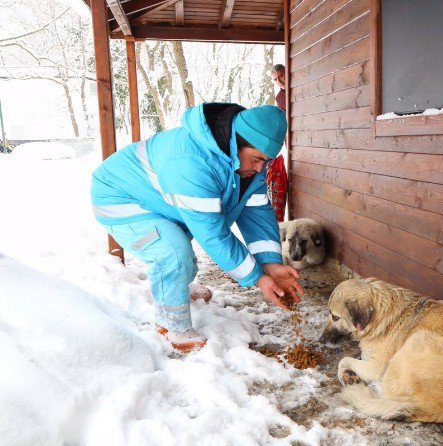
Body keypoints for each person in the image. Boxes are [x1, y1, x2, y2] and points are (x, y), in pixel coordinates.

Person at [91, 103, 304, 353]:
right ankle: (172, 326)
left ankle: (177, 288)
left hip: (158, 198)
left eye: (265, 162)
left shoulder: (246, 164)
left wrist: (271, 263)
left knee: (181, 256)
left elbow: (256, 213)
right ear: (237, 142)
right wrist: (257, 277)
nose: (260, 169)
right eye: (256, 160)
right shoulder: (191, 161)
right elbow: (212, 233)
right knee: (172, 252)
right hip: (121, 198)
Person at [267, 64, 288, 222]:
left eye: (281, 76)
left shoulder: (296, 87)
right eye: (276, 79)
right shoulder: (280, 98)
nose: (280, 80)